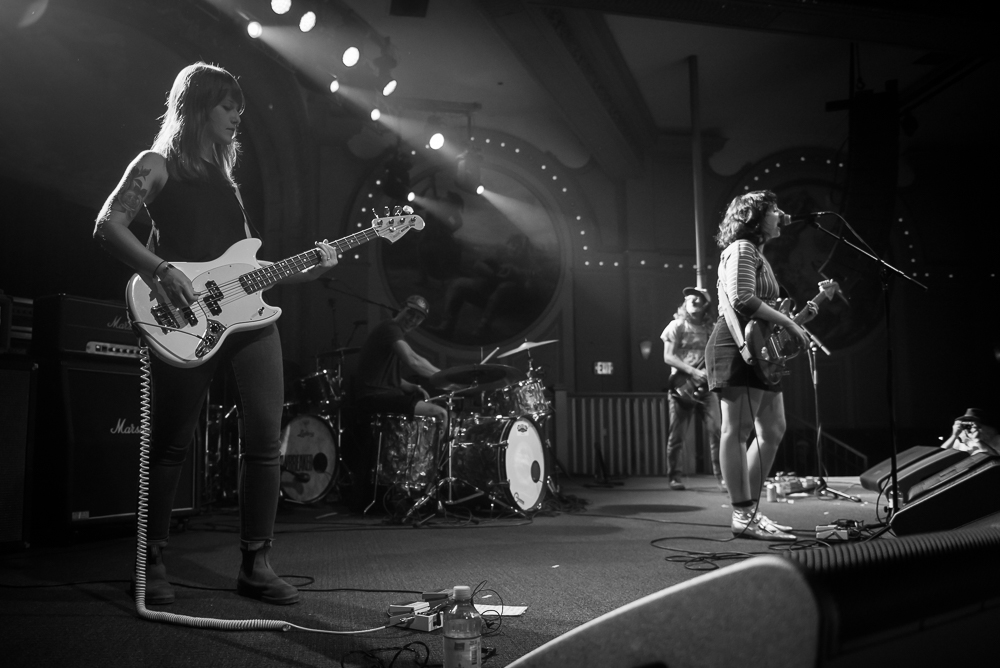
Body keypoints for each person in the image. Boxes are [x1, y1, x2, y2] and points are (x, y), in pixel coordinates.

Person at [93, 62, 338, 605]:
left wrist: (313, 266)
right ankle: (151, 558)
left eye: (240, 109)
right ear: (197, 106)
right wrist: (159, 270)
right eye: (227, 106)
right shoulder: (156, 165)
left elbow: (250, 267)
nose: (237, 116)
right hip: (182, 315)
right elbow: (108, 224)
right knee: (172, 441)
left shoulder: (230, 184)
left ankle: (257, 561)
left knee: (265, 442)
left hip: (248, 320)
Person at [706, 190, 820, 541]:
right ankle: (742, 513)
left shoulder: (756, 253)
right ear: (753, 218)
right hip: (734, 345)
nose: (782, 215)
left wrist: (790, 320)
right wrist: (789, 324)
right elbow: (742, 299)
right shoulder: (741, 248)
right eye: (774, 210)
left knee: (772, 429)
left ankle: (750, 510)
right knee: (737, 430)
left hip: (756, 348)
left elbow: (759, 306)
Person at [347, 295, 451, 506]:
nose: (412, 320)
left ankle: (408, 483)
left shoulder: (391, 332)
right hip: (375, 399)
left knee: (427, 404)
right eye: (410, 313)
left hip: (379, 395)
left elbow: (385, 376)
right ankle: (434, 480)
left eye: (418, 318)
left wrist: (409, 386)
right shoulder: (390, 329)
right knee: (441, 413)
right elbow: (413, 360)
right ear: (400, 310)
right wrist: (448, 377)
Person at [661, 287, 723, 491]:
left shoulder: (711, 329)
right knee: (676, 435)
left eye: (699, 298)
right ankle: (674, 476)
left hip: (706, 387)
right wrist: (693, 372)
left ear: (706, 304)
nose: (693, 299)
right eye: (690, 297)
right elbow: (668, 356)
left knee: (716, 431)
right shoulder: (676, 325)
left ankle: (723, 478)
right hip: (682, 386)